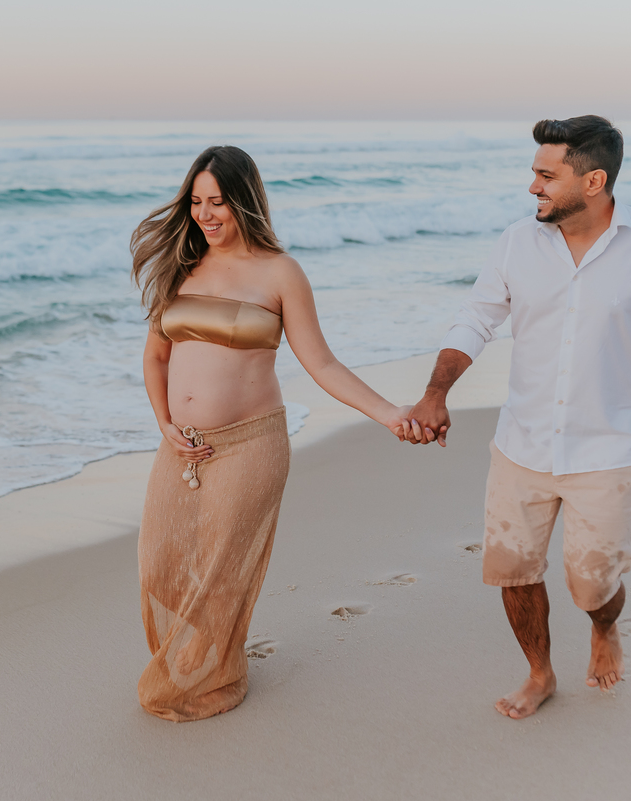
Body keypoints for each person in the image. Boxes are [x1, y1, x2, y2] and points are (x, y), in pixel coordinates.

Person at [400, 116, 631, 719]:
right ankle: (540, 671)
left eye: (546, 175)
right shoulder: (515, 243)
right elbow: (475, 318)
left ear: (594, 180)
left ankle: (605, 626)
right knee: (513, 572)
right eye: (535, 173)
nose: (533, 186)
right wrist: (435, 392)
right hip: (520, 445)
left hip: (605, 454)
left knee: (591, 587)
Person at [130, 145, 411, 721]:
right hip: (179, 444)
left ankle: (217, 672)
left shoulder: (280, 272)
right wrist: (163, 422)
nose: (206, 215)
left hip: (250, 442)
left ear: (245, 202)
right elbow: (156, 358)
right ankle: (204, 658)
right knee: (159, 564)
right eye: (197, 202)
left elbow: (323, 364)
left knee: (220, 567)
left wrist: (388, 413)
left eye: (219, 202)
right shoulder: (181, 265)